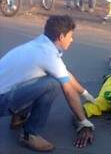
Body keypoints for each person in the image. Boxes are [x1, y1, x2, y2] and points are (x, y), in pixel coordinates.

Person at [0, 15, 96, 152]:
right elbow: (68, 90)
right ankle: (30, 134)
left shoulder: (41, 44)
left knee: (45, 77)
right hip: (2, 100)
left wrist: (85, 94)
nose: (72, 39)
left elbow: (65, 73)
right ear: (61, 37)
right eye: (70, 36)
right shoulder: (48, 56)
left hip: (6, 92)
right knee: (52, 84)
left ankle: (19, 116)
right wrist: (83, 121)